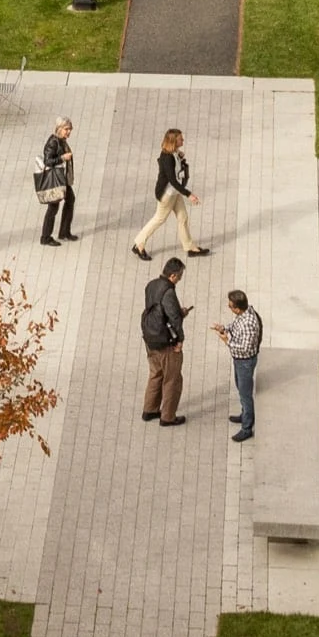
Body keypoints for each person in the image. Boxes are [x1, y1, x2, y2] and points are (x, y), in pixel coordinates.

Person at [133, 127, 200, 258]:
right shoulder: (167, 158)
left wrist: (179, 155)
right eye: (181, 139)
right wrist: (189, 194)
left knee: (183, 218)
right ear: (174, 141)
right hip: (167, 194)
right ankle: (139, 243)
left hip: (174, 193)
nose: (183, 140)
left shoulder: (172, 153)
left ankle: (190, 247)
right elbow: (173, 181)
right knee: (159, 219)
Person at [140, 257, 190, 425]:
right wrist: (180, 339)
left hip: (150, 339)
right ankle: (168, 417)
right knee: (172, 379)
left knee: (156, 374)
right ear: (173, 276)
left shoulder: (151, 285)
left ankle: (150, 410)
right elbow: (174, 318)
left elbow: (157, 311)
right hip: (165, 342)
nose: (181, 278)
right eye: (180, 275)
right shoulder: (169, 292)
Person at [220, 287, 264, 440]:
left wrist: (228, 342)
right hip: (239, 361)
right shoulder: (244, 315)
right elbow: (235, 325)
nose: (228, 306)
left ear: (238, 308)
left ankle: (247, 428)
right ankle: (245, 413)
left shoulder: (248, 324)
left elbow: (245, 349)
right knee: (240, 388)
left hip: (244, 362)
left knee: (245, 394)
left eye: (230, 305)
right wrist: (224, 328)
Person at [36, 118, 78, 247]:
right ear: (59, 128)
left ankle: (64, 232)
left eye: (70, 129)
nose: (68, 132)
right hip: (55, 180)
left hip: (62, 179)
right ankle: (46, 237)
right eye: (66, 129)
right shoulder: (53, 142)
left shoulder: (61, 141)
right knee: (53, 207)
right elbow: (48, 161)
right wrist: (62, 158)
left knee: (70, 200)